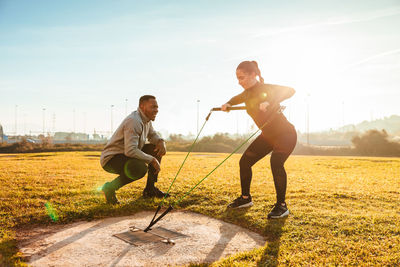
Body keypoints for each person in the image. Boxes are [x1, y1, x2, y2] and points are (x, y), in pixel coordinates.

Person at [221, 61, 297, 219]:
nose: (239, 81)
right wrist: (228, 103)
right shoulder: (247, 93)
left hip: (285, 134)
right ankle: (245, 199)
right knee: (245, 162)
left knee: (276, 163)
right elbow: (237, 98)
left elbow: (290, 90)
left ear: (253, 75)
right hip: (268, 136)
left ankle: (282, 206)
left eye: (242, 77)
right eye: (237, 78)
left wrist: (271, 101)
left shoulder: (266, 88)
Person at [100, 95, 168, 204]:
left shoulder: (146, 120)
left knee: (154, 148)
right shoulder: (134, 121)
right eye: (153, 107)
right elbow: (130, 150)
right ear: (142, 106)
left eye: (157, 107)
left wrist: (161, 141)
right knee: (139, 168)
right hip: (111, 159)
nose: (156, 110)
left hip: (125, 155)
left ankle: (150, 190)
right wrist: (152, 160)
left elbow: (152, 135)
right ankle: (110, 188)